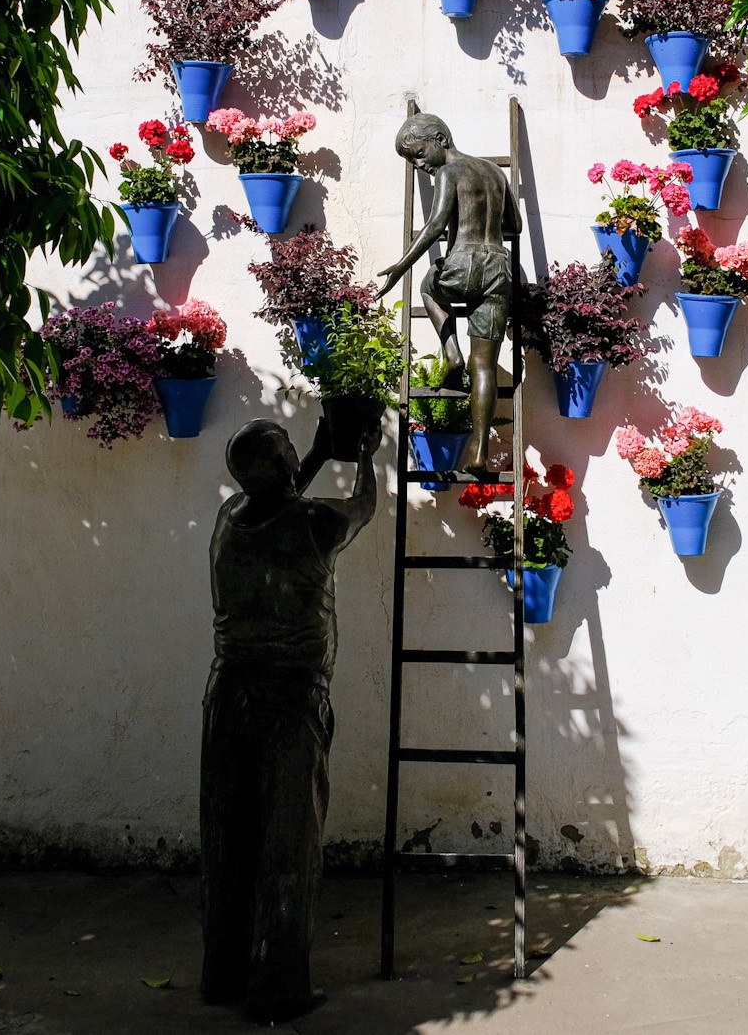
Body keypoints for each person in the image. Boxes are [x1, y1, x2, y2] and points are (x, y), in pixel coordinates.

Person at [200, 417, 378, 1023]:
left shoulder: (229, 520)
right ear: (279, 465)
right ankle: (279, 987)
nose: (294, 457)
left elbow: (272, 499)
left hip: (227, 697)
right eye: (289, 453)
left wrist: (319, 452)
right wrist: (364, 457)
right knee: (287, 842)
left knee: (228, 839)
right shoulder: (317, 524)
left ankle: (223, 975)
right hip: (289, 701)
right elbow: (361, 508)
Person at [373, 111, 519, 471]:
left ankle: (451, 354)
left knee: (427, 286)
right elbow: (513, 225)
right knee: (483, 364)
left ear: (441, 139)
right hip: (499, 268)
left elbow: (435, 223)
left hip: (464, 262)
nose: (419, 164)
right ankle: (479, 453)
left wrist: (399, 266)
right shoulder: (495, 172)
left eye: (419, 154)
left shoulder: (448, 172)